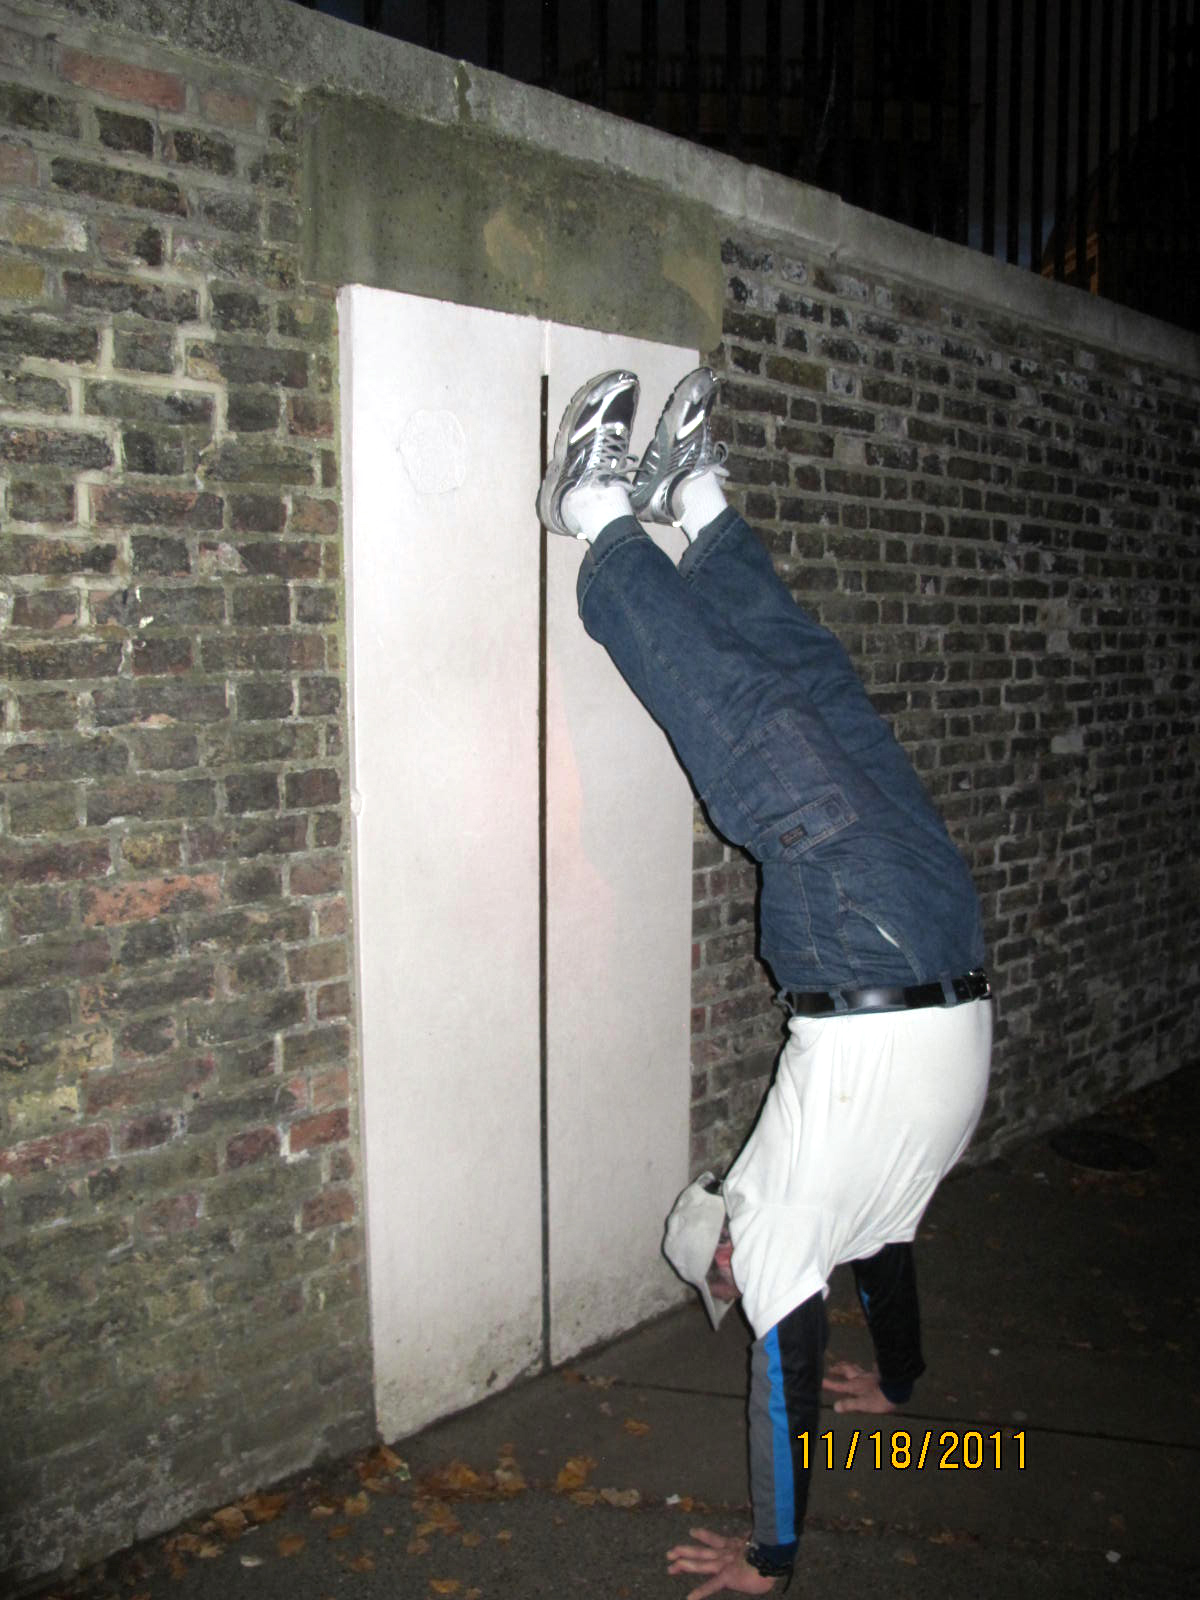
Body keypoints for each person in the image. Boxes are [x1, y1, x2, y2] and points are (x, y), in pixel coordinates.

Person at [537, 368, 993, 1599]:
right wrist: (771, 1559)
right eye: (730, 1275)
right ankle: (633, 512)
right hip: (886, 940)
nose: (743, 1282)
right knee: (771, 716)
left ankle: (662, 507)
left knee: (800, 707)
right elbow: (790, 1370)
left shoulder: (840, 1212)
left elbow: (884, 1273)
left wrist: (900, 1381)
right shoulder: (801, 1227)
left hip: (930, 941)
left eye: (729, 1276)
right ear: (729, 1254)